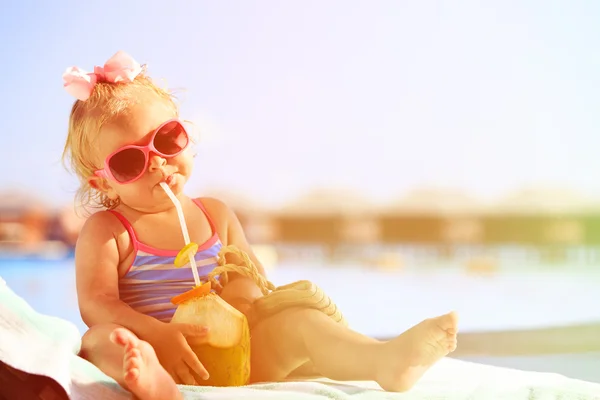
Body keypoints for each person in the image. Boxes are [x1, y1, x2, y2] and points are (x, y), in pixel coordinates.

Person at [62, 51, 459, 400]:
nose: (157, 163)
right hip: (155, 351)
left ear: (184, 134)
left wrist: (238, 304)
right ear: (101, 181)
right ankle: (153, 384)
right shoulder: (108, 230)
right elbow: (97, 304)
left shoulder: (215, 214)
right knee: (100, 341)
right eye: (129, 162)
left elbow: (247, 275)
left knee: (301, 323)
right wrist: (155, 335)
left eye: (167, 140)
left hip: (240, 355)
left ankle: (383, 360)